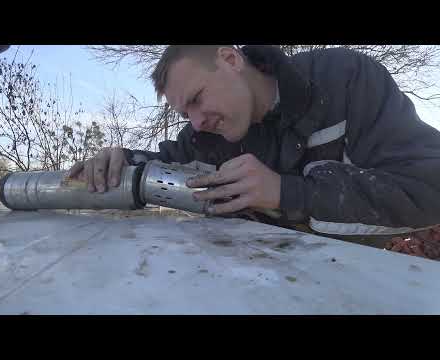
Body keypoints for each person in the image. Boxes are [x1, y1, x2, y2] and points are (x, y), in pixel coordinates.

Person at [68, 45, 440, 252]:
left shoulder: (346, 79)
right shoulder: (206, 136)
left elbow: (428, 187)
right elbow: (162, 164)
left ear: (230, 59)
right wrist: (122, 160)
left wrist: (285, 192)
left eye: (197, 98)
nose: (196, 122)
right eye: (185, 112)